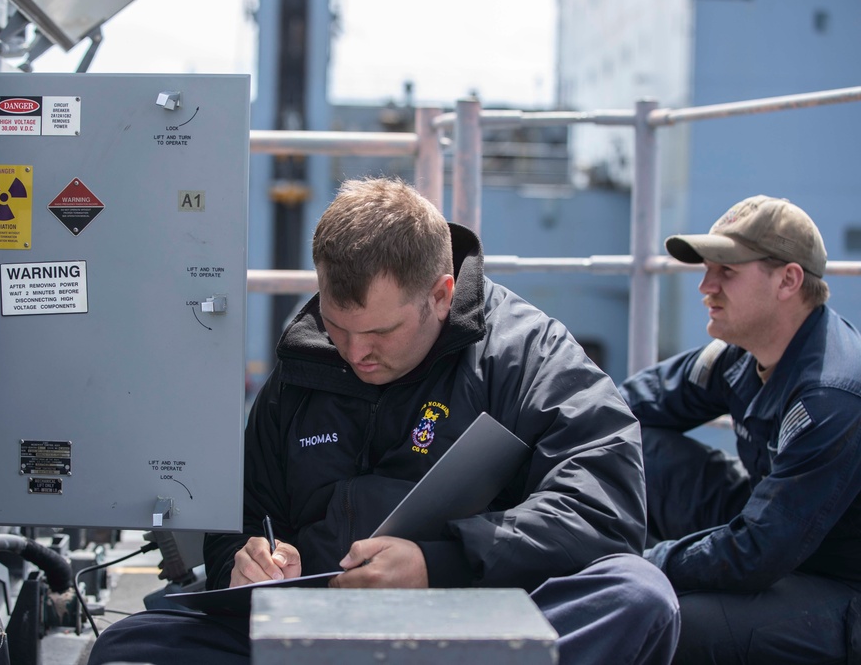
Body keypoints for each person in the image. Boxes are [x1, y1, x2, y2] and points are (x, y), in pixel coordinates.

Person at [90, 177, 679, 664]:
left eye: (380, 332)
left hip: (475, 622)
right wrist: (246, 563)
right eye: (337, 325)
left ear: (442, 295)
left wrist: (439, 562)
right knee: (128, 646)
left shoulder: (529, 355)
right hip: (314, 626)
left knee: (639, 596)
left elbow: (604, 508)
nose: (354, 353)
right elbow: (239, 519)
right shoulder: (302, 367)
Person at [618, 195, 861, 663]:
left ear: (788, 280)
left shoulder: (831, 397)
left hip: (840, 585)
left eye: (726, 271)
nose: (706, 286)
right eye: (707, 269)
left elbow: (757, 553)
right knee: (631, 444)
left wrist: (641, 565)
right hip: (778, 534)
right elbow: (620, 408)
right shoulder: (742, 354)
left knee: (677, 625)